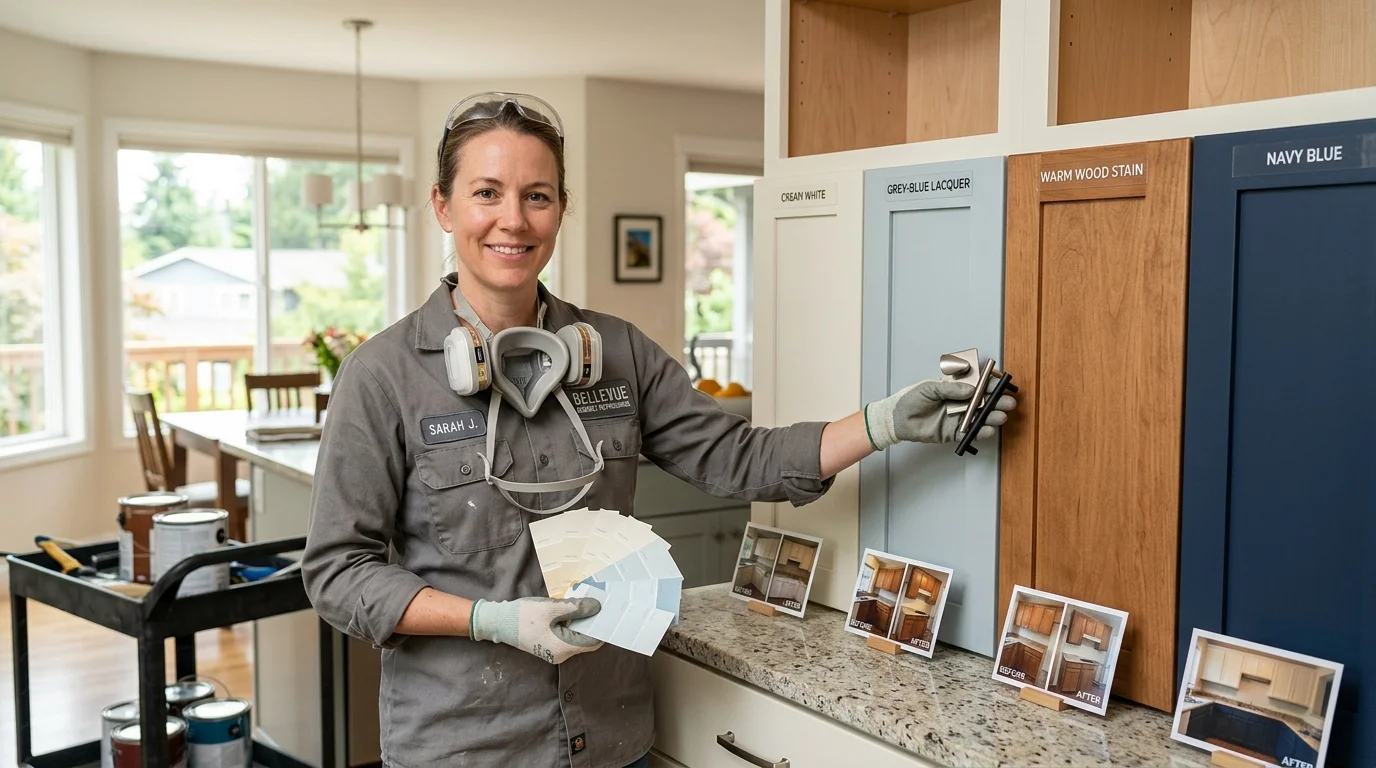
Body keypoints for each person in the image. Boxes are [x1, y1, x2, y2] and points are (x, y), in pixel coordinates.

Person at [301, 91, 1016, 768]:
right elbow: (337, 573)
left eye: (536, 195)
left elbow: (743, 458)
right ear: (443, 207)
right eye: (486, 192)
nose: (513, 220)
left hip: (610, 736)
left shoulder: (618, 353)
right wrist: (490, 620)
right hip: (463, 746)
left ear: (561, 208)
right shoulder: (382, 375)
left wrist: (886, 421)